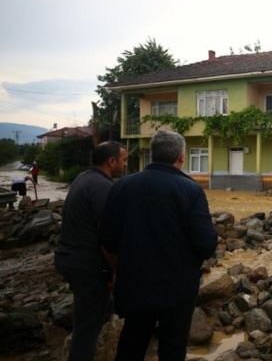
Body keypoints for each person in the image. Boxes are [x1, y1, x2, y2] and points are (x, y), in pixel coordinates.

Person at [99, 130, 217, 361]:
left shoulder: (122, 187)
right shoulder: (190, 189)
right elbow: (205, 244)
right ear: (181, 156)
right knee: (172, 349)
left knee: (131, 343)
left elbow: (107, 238)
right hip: (177, 289)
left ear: (153, 154)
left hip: (134, 285)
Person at [54, 141, 127, 361]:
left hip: (69, 259)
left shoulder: (83, 178)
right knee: (86, 330)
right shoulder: (103, 188)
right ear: (111, 161)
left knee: (97, 313)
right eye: (123, 159)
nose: (125, 164)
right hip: (87, 266)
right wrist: (115, 272)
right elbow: (106, 237)